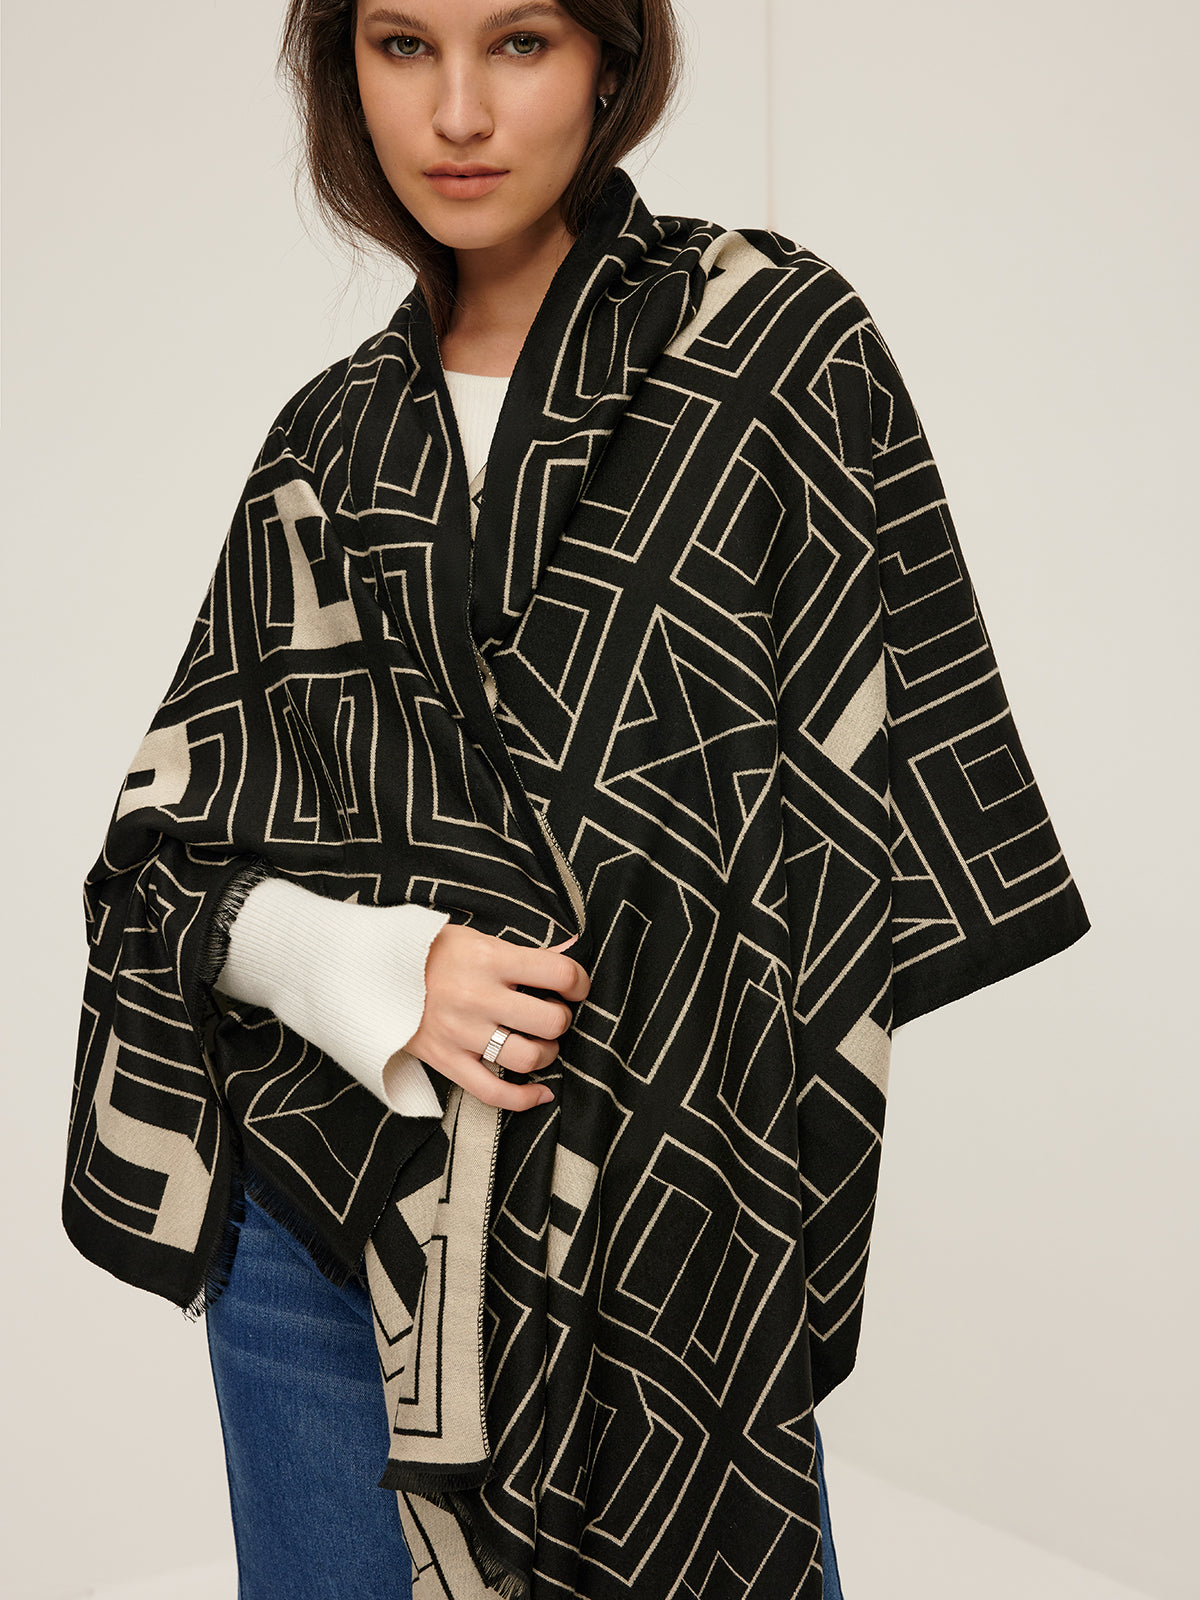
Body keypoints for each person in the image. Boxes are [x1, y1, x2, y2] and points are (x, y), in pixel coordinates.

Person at [62, 1, 1090, 1597]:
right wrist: (378, 970)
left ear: (612, 57)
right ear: (345, 73)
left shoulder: (775, 350)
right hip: (329, 1233)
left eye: (521, 41)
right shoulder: (326, 442)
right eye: (403, 45)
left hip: (674, 1222)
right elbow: (165, 869)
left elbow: (866, 810)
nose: (459, 111)